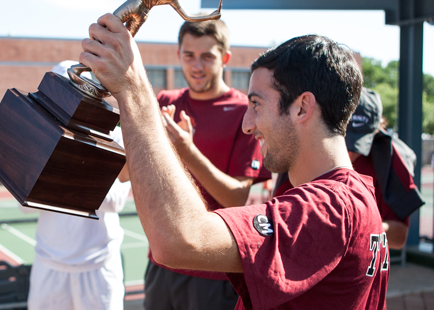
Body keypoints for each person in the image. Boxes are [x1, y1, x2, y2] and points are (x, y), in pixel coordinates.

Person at [80, 16, 388, 308]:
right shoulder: (354, 194)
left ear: (302, 107)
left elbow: (180, 240)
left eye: (256, 104)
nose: (247, 124)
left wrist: (134, 90)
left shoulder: (327, 208)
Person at [145, 19, 270, 310]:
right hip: (162, 261)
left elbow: (236, 196)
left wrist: (187, 151)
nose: (197, 65)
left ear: (225, 58)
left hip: (213, 270)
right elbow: (129, 174)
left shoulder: (245, 112)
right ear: (179, 56)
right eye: (189, 55)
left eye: (207, 56)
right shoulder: (165, 102)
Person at [23, 61, 132, 310]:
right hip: (49, 265)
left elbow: (115, 200)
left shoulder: (113, 137)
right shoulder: (40, 135)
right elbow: (25, 201)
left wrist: (58, 176)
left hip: (99, 267)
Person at [344, 87, 424, 249]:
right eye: (345, 138)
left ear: (378, 128)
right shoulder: (311, 148)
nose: (351, 153)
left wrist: (358, 226)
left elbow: (399, 237)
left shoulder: (389, 159)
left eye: (359, 143)